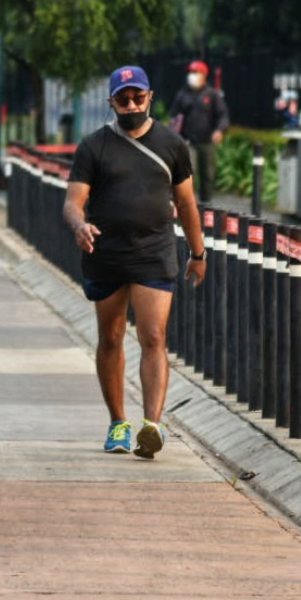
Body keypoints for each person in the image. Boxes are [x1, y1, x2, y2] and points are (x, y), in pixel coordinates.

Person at [64, 64, 207, 459]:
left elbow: (187, 203)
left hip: (153, 253)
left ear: (150, 97)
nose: (131, 105)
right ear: (111, 102)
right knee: (110, 337)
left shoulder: (173, 145)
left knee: (153, 337)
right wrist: (80, 226)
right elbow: (74, 201)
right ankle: (118, 423)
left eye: (138, 97)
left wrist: (198, 253)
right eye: (123, 99)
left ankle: (152, 426)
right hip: (106, 255)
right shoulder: (94, 146)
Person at [168, 60, 229, 202]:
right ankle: (189, 205)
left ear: (203, 75)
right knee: (189, 173)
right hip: (188, 141)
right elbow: (174, 116)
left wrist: (219, 130)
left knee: (208, 175)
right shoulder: (182, 95)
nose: (192, 76)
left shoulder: (212, 95)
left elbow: (222, 115)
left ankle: (206, 206)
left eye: (195, 73)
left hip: (207, 142)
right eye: (190, 72)